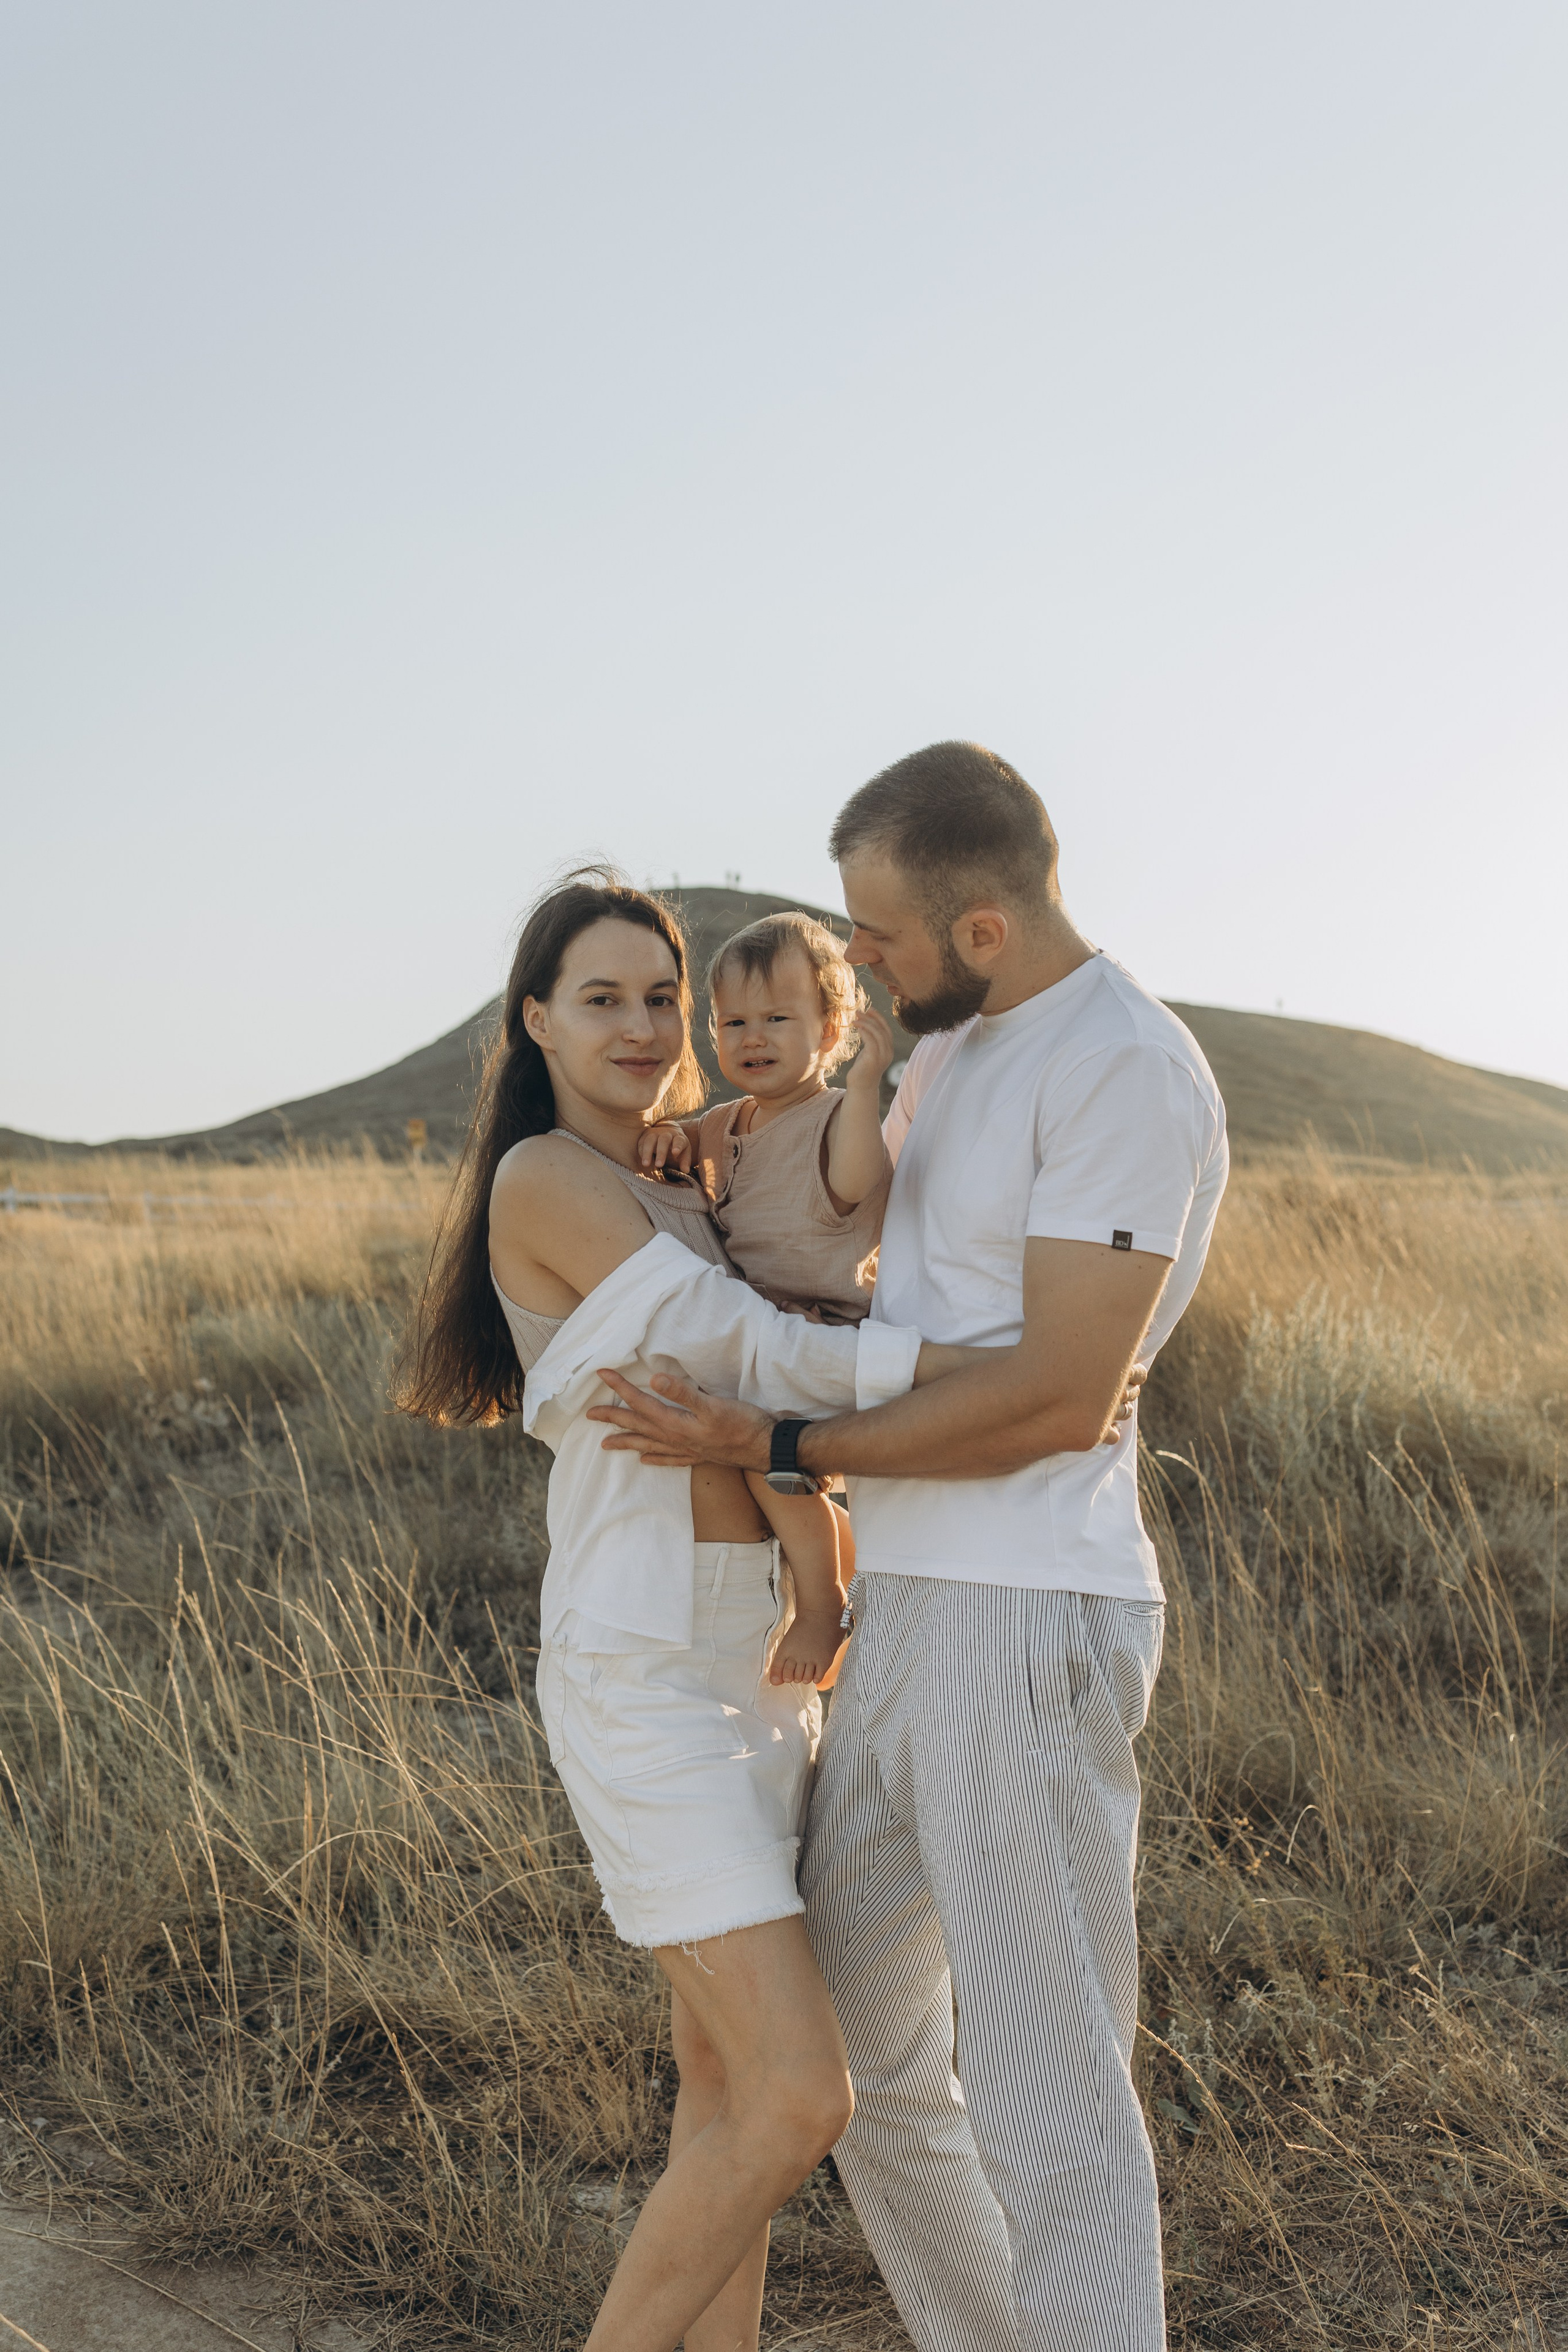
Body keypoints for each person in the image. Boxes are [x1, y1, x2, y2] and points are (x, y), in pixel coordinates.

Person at [590, 743, 1230, 2352]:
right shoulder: (950, 1054)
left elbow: (1060, 1397)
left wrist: (778, 1446)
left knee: (1047, 2094)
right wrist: (719, 1147)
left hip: (1027, 1616)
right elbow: (869, 1254)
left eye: (876, 935)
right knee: (859, 2063)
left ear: (982, 928)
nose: (856, 960)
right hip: (907, 1611)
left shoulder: (1119, 1069)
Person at [395, 870, 1035, 2352]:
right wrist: (988, 1375)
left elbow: (814, 1253)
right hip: (642, 1666)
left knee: (725, 2083)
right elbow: (738, 1342)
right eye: (599, 998)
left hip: (764, 1664)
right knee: (804, 2096)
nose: (639, 1026)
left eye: (659, 997)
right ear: (535, 1020)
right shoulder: (545, 1177)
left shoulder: (698, 1169)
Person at [637, 907, 899, 1683]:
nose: (753, 1037)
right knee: (746, 1451)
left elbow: (857, 1178)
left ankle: (822, 1602)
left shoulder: (835, 1118)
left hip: (825, 1332)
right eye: (733, 1022)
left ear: (830, 1029)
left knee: (757, 1453)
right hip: (762, 1331)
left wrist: (864, 1088)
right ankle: (836, 1549)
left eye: (777, 1019)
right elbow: (685, 1148)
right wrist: (668, 1137)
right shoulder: (727, 1122)